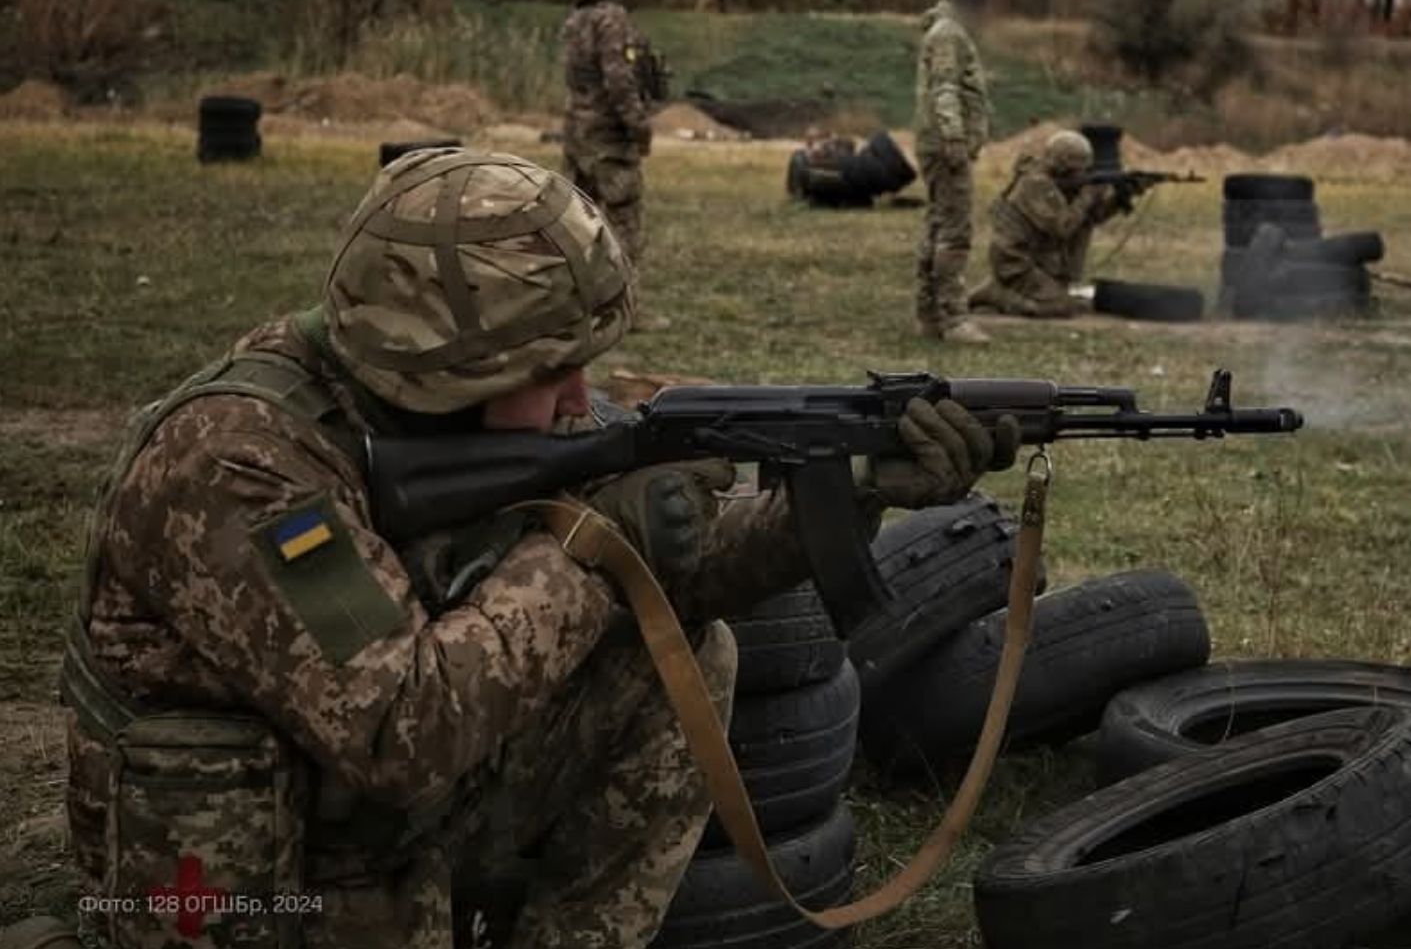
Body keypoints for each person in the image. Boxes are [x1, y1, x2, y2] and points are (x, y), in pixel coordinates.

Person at [62, 149, 1018, 948]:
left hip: (370, 814)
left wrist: (856, 494)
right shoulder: (235, 467)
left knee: (680, 654)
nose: (577, 398)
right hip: (248, 881)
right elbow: (403, 732)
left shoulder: (445, 417)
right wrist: (590, 544)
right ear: (439, 367)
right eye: (548, 371)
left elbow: (675, 580)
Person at [913, 0, 993, 344]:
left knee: (938, 224)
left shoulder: (946, 31)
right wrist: (956, 138)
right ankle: (952, 319)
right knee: (954, 231)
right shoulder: (949, 34)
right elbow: (944, 89)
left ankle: (929, 313)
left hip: (939, 143)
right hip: (946, 146)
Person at [969, 131, 1128, 318]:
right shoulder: (1035, 183)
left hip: (1039, 260)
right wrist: (1088, 195)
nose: (1082, 174)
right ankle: (997, 294)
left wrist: (1120, 199)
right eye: (1077, 169)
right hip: (1015, 261)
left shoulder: (1056, 184)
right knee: (1061, 307)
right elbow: (1062, 228)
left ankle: (1007, 289)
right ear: (1061, 165)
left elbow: (1090, 219)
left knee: (1077, 305)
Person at [560, 0, 660, 267]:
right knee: (624, 222)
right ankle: (624, 307)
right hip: (609, 137)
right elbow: (619, 80)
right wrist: (639, 126)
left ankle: (575, 299)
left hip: (577, 133)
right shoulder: (612, 19)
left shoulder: (575, 20)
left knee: (575, 221)